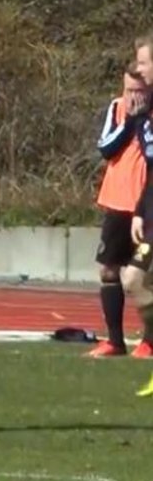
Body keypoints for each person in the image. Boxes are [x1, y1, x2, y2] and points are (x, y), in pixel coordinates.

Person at [92, 60, 153, 357]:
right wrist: (130, 120)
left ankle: (149, 341)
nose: (133, 97)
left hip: (145, 207)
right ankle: (114, 340)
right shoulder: (117, 108)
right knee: (109, 270)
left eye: (139, 91)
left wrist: (142, 120)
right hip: (116, 203)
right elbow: (106, 148)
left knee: (141, 277)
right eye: (129, 90)